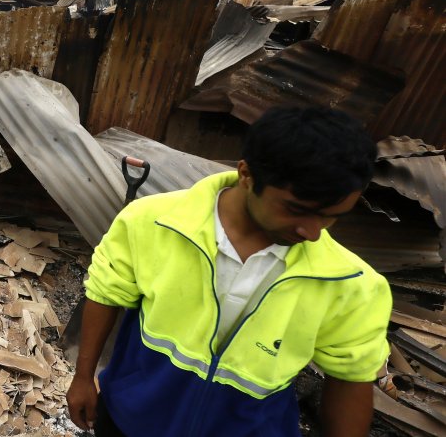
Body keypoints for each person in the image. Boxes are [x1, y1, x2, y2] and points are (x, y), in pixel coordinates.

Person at [66, 107, 391, 436]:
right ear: (246, 175)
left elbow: (351, 378)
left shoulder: (351, 285)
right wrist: (83, 378)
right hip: (131, 420)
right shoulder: (152, 222)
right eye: (296, 210)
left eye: (332, 216)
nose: (313, 231)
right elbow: (105, 294)